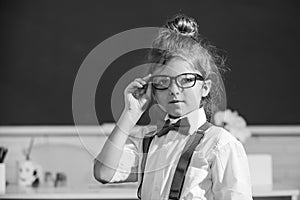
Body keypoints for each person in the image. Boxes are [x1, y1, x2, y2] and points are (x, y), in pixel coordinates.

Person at [94, 14, 253, 200]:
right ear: (153, 89)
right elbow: (103, 172)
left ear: (205, 87)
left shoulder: (221, 144)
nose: (174, 90)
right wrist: (130, 113)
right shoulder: (148, 140)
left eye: (186, 80)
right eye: (163, 82)